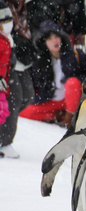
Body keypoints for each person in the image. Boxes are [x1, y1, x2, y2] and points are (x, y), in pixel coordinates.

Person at [19, 20, 86, 126]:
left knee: (72, 82)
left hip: (72, 99)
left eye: (56, 37)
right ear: (44, 42)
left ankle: (69, 117)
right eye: (50, 38)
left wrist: (78, 80)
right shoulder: (39, 62)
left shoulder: (74, 55)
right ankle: (57, 116)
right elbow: (33, 85)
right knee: (23, 111)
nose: (54, 41)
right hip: (52, 100)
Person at [1, 0, 35, 158]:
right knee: (14, 98)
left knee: (26, 96)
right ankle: (4, 141)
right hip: (6, 67)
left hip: (16, 59)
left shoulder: (22, 7)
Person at [0, 1, 13, 157]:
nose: (7, 25)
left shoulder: (6, 40)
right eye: (4, 22)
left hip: (2, 83)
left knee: (3, 110)